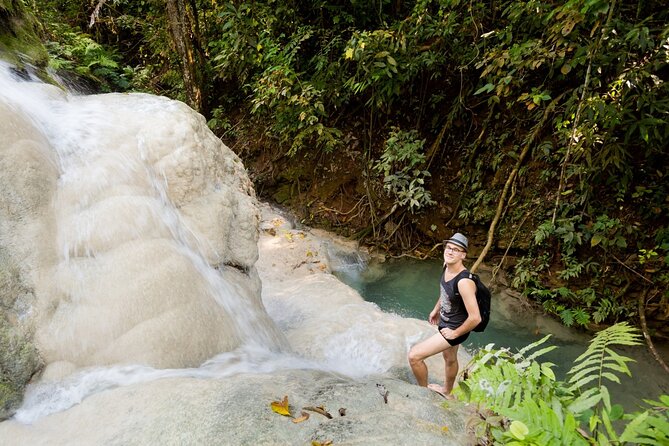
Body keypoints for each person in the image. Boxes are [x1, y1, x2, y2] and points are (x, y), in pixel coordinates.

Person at [407, 232, 481, 398]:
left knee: (414, 356)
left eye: (456, 249)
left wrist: (455, 333)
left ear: (463, 255)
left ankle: (424, 392)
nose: (450, 251)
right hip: (447, 322)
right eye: (448, 247)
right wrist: (436, 309)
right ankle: (447, 391)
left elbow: (475, 317)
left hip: (456, 328)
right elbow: (446, 292)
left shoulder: (464, 282)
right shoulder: (446, 266)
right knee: (449, 357)